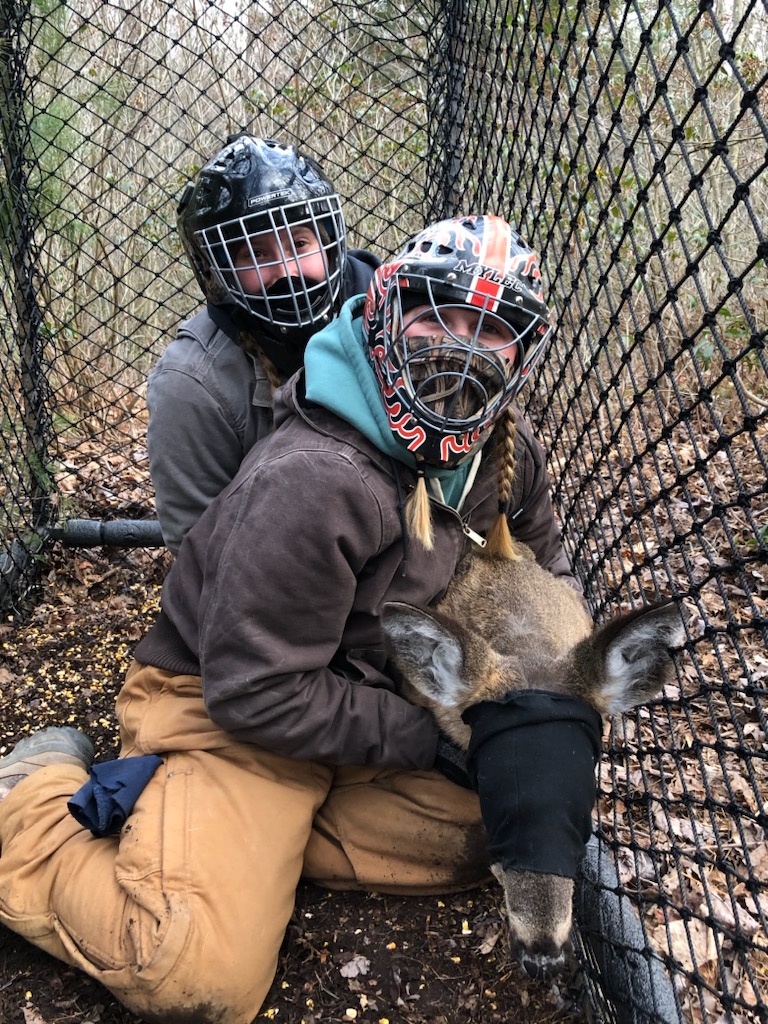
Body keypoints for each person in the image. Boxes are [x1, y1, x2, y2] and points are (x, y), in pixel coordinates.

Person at [0, 215, 580, 1024]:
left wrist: (529, 720)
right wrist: (429, 736)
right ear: (383, 310)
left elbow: (546, 579)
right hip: (230, 707)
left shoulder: (498, 453)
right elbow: (254, 693)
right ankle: (35, 803)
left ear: (522, 354)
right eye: (438, 313)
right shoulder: (315, 478)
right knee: (191, 976)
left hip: (352, 697)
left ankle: (231, 847)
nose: (463, 345)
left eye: (493, 329)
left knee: (496, 831)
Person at [147, 132, 380, 553]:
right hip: (272, 576)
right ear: (220, 271)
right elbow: (200, 556)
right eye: (256, 252)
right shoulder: (193, 383)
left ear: (329, 244)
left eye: (301, 243)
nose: (287, 269)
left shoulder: (392, 321)